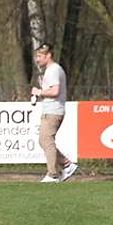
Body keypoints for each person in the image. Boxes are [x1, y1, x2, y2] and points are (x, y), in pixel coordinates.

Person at [30, 43, 77, 183]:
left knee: (46, 140)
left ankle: (53, 174)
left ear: (48, 55)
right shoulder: (51, 71)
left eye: (40, 56)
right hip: (50, 110)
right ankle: (67, 165)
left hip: (53, 111)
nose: (37, 59)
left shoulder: (53, 70)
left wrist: (39, 92)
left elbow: (55, 91)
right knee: (44, 140)